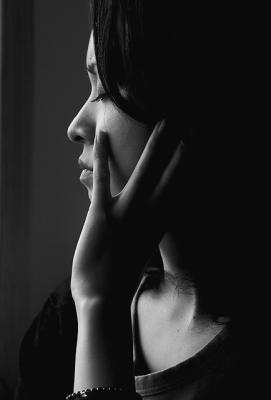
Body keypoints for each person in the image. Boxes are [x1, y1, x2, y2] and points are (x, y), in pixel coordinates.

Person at [15, 1, 249, 399]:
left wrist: (102, 306)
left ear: (186, 111)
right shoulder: (65, 317)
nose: (75, 127)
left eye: (105, 90)